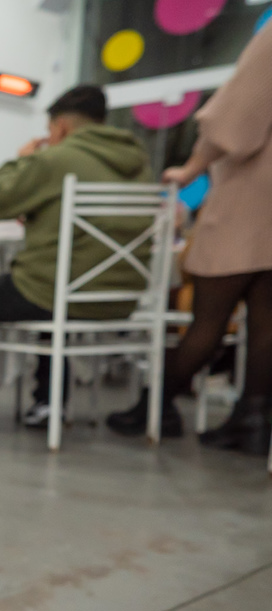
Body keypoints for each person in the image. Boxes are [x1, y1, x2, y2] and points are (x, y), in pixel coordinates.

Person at [0, 85, 153, 432]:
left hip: (56, 294)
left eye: (49, 130)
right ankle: (49, 402)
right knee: (58, 281)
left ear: (61, 126)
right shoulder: (140, 165)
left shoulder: (57, 159)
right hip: (121, 298)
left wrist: (21, 159)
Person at [107, 27, 272, 455]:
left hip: (252, 193)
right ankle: (253, 420)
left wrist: (192, 167)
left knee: (207, 319)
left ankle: (156, 406)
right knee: (265, 322)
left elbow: (238, 116)